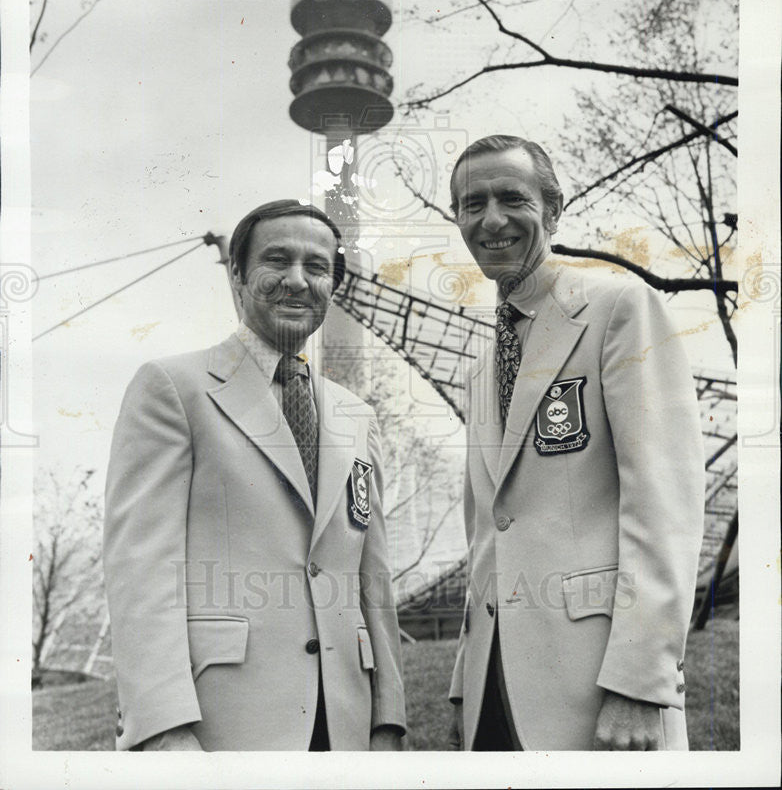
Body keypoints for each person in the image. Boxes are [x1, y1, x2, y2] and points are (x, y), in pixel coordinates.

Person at [104, 200, 406, 751]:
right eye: (276, 260)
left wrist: (387, 718)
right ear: (239, 275)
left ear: (332, 286)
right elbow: (140, 570)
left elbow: (372, 580)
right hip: (221, 723)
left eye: (317, 267)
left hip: (346, 725)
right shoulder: (174, 387)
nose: (297, 280)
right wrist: (162, 726)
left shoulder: (356, 415)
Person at [447, 135, 705, 751]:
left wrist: (641, 683)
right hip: (496, 687)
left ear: (554, 210)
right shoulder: (480, 365)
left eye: (513, 198)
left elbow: (663, 504)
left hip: (601, 688)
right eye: (472, 203)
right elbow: (488, 530)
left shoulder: (619, 308)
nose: (492, 219)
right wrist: (465, 683)